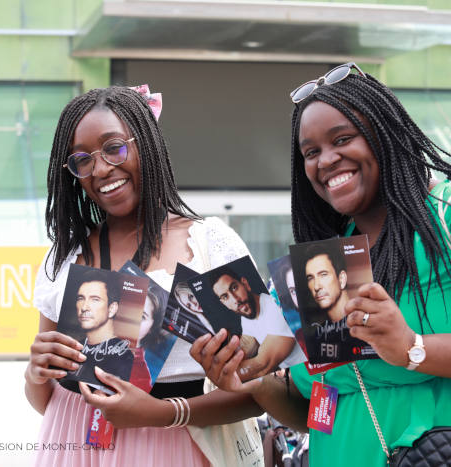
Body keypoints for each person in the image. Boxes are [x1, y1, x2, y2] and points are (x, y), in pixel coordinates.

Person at [191, 64, 451, 466]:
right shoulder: (324, 265)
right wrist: (253, 381)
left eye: (342, 139)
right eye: (311, 152)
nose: (326, 160)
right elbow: (322, 411)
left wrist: (413, 348)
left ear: (386, 134)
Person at [25, 86, 263, 466]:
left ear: (147, 144)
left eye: (114, 148)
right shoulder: (65, 256)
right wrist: (35, 375)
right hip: (73, 445)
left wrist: (162, 413)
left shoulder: (210, 243)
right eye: (82, 160)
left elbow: (260, 391)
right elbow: (47, 400)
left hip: (177, 447)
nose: (100, 169)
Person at [209, 268, 299, 378]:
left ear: (245, 283)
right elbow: (248, 344)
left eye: (234, 287)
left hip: (313, 375)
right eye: (225, 296)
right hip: (296, 379)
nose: (235, 299)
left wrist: (221, 373)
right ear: (223, 303)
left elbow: (262, 365)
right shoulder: (246, 315)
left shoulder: (274, 307)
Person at [65, 269, 134, 392]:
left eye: (95, 299)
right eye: (81, 298)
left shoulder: (125, 358)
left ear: (112, 308)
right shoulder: (72, 348)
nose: (84, 307)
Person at [302, 243, 348, 323]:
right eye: (310, 278)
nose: (316, 287)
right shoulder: (317, 334)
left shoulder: (366, 318)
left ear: (341, 279)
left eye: (323, 275)